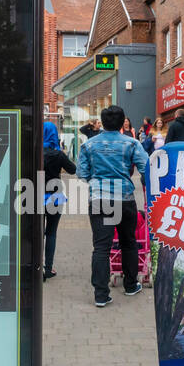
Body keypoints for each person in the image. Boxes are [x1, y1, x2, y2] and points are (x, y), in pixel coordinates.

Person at [77, 104, 148, 308]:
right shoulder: (132, 144)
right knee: (129, 242)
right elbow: (146, 168)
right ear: (122, 122)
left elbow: (82, 174)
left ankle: (101, 294)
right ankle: (131, 285)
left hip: (99, 198)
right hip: (125, 198)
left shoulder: (89, 145)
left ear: (103, 121)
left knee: (101, 247)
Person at [42, 121, 76, 282]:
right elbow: (73, 169)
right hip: (55, 197)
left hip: (33, 196)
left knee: (36, 233)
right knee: (51, 233)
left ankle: (35, 266)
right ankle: (48, 268)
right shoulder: (58, 154)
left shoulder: (33, 151)